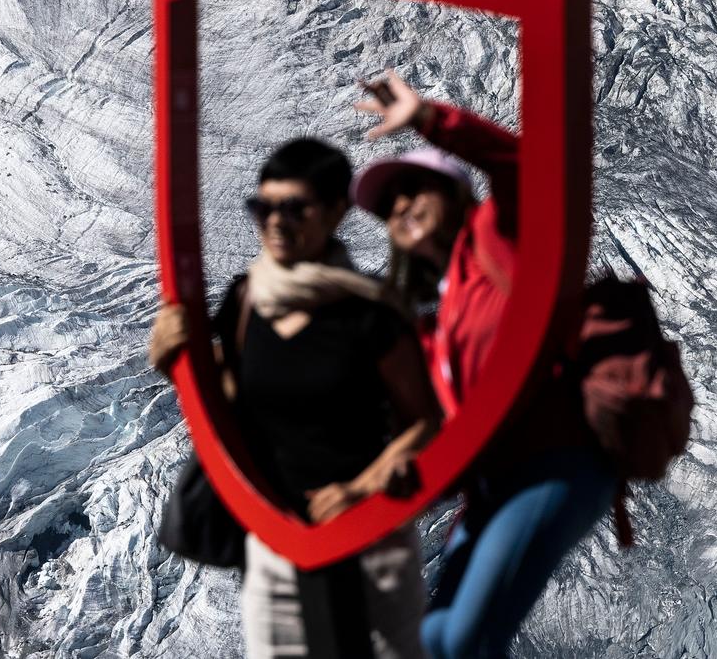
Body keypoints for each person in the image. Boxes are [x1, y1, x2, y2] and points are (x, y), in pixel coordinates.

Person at [353, 73, 617, 659]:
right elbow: (446, 441)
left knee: (465, 639)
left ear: (455, 195)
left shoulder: (502, 238)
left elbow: (523, 165)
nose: (400, 209)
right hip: (493, 491)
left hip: (557, 464)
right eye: (390, 207)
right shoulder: (435, 327)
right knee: (435, 639)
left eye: (414, 191)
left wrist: (429, 119)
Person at [150, 137, 440, 659]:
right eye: (264, 207)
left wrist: (359, 489)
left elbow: (423, 422)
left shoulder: (371, 313)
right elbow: (231, 401)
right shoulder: (245, 299)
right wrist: (176, 363)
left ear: (335, 212)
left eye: (294, 208)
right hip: (276, 542)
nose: (276, 222)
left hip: (370, 543)